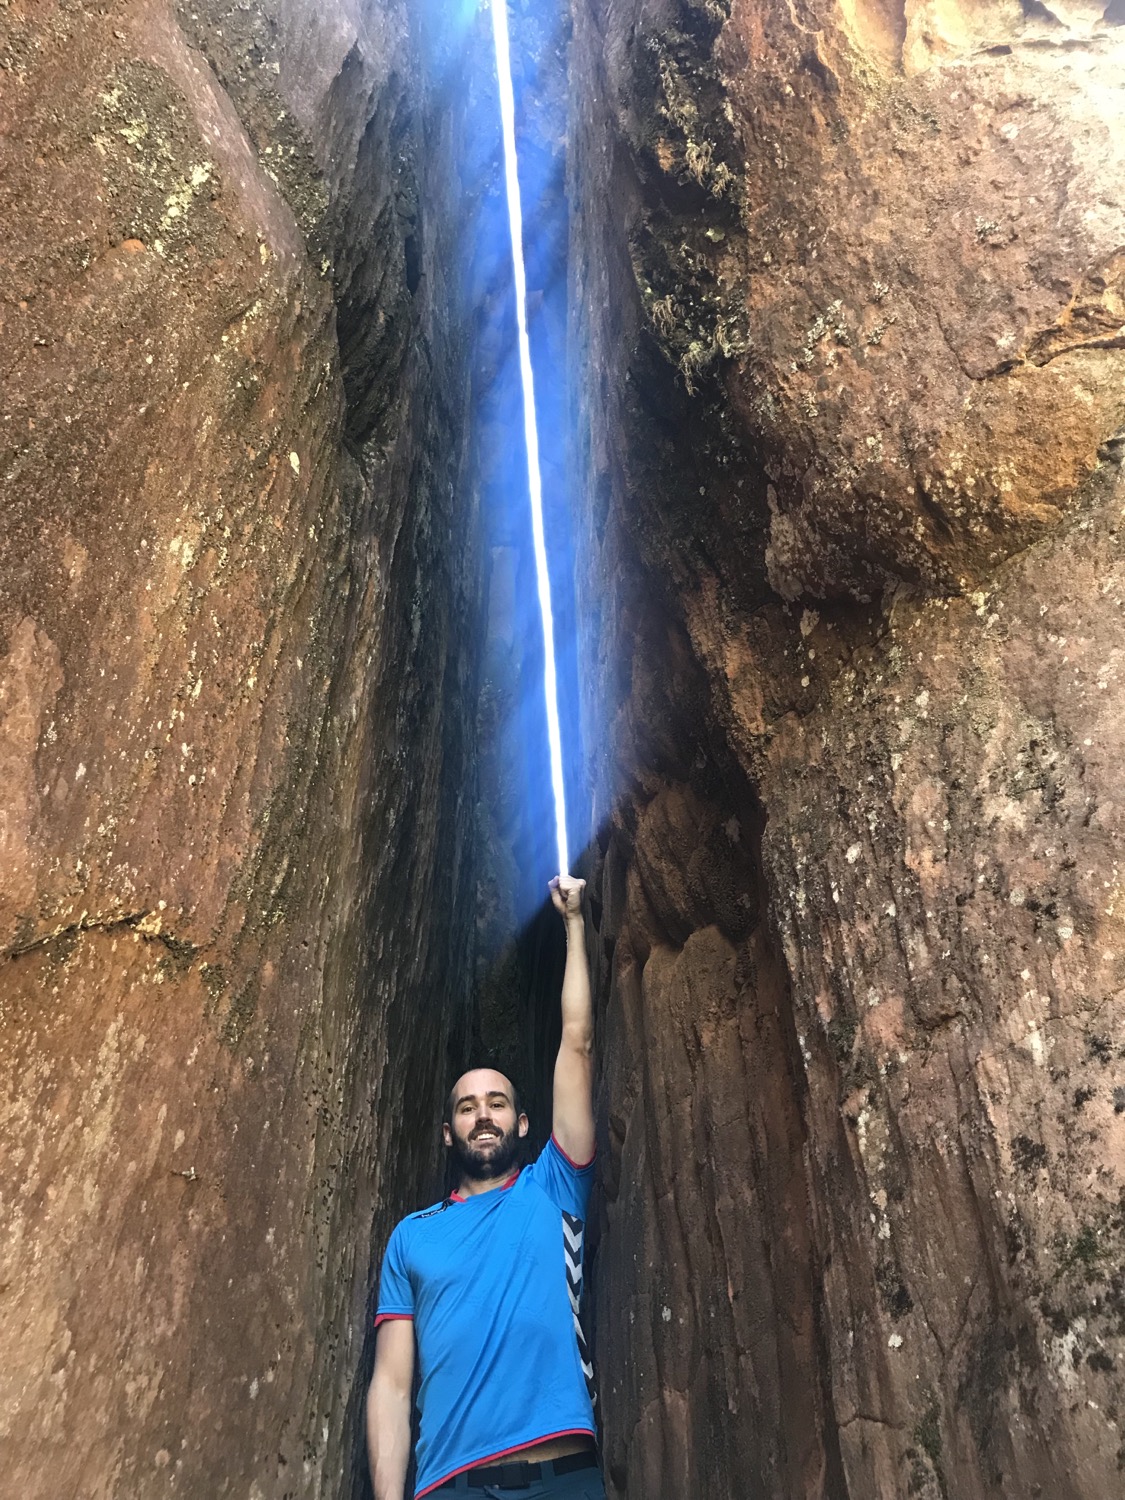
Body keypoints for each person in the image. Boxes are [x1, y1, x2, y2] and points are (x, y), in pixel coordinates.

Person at [366, 874, 605, 1500]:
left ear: (521, 1124)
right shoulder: (410, 1239)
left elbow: (575, 1044)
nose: (483, 1116)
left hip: (564, 1475)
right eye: (467, 1107)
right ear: (448, 1132)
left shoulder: (553, 1189)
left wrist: (574, 924)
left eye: (497, 1103)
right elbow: (391, 1386)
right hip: (452, 1484)